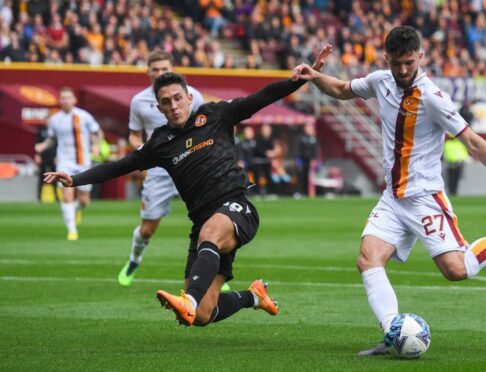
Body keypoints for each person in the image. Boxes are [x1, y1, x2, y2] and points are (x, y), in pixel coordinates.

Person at [292, 27, 486, 355]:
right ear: (386, 59)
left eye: (409, 62)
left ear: (420, 56)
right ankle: (393, 333)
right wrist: (312, 76)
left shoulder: (433, 97)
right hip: (393, 198)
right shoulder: (381, 80)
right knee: (368, 260)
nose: (403, 70)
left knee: (457, 269)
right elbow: (340, 90)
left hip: (424, 198)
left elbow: (473, 143)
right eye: (396, 63)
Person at [43, 45, 331, 328]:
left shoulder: (216, 115)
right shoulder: (159, 143)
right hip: (203, 224)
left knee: (206, 250)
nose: (174, 105)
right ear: (159, 108)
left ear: (189, 96)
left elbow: (262, 97)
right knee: (205, 315)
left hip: (236, 208)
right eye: (166, 102)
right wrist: (74, 179)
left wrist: (302, 79)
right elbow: (119, 166)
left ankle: (188, 301)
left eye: (178, 98)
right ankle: (253, 297)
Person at [117, 50, 206, 288]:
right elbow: (134, 135)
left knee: (211, 220)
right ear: (147, 72)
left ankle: (213, 271)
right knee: (147, 230)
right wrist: (143, 152)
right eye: (154, 70)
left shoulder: (192, 95)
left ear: (172, 69)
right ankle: (135, 260)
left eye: (164, 69)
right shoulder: (139, 101)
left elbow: (206, 125)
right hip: (159, 171)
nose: (159, 73)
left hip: (192, 163)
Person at [35, 87, 102, 240]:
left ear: (74, 100)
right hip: (64, 161)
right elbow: (51, 139)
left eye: (68, 98)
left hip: (83, 161)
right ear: (60, 100)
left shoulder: (84, 116)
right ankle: (72, 230)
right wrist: (43, 146)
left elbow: (98, 132)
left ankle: (77, 208)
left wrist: (96, 146)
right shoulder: (55, 119)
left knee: (84, 200)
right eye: (63, 98)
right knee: (66, 195)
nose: (65, 101)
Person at [34, 116, 57, 201]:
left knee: (55, 177)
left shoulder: (55, 131)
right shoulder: (40, 130)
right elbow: (37, 143)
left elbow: (57, 145)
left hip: (52, 157)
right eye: (47, 120)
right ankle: (39, 197)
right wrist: (37, 155)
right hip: (43, 157)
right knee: (41, 177)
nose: (48, 122)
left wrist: (57, 156)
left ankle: (56, 197)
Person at [296, 123, 319, 197]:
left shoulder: (314, 139)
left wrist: (314, 159)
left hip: (311, 161)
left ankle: (311, 192)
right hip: (303, 161)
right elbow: (299, 150)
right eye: (307, 128)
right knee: (302, 176)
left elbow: (316, 151)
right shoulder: (302, 138)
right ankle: (301, 192)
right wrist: (298, 160)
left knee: (311, 177)